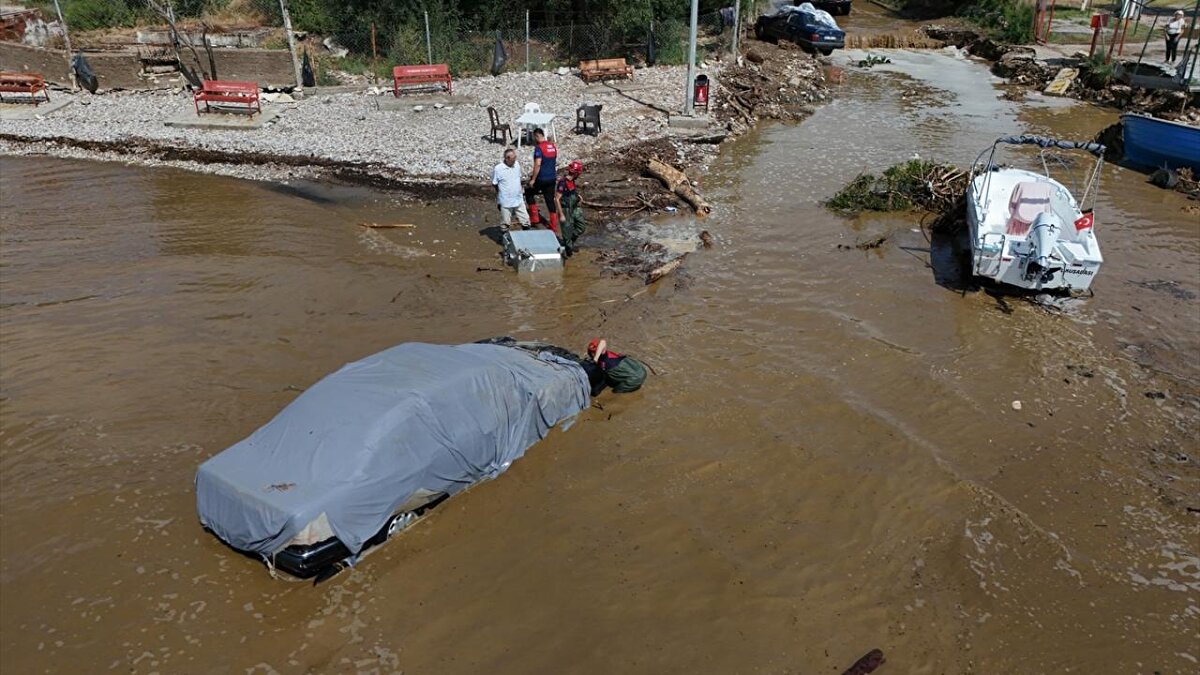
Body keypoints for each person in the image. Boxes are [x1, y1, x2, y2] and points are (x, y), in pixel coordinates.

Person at [525, 128, 559, 236]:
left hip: (541, 178)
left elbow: (538, 164)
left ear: (537, 136)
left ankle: (535, 218)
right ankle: (553, 226)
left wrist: (533, 179)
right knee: (550, 200)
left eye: (534, 137)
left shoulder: (539, 148)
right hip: (552, 178)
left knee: (529, 192)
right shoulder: (552, 147)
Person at [491, 148, 529, 232]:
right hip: (506, 200)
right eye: (513, 158)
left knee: (525, 220)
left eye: (515, 157)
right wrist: (500, 194)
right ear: (507, 158)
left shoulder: (517, 165)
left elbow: (518, 178)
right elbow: (494, 183)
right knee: (505, 223)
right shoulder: (498, 169)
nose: (515, 160)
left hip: (518, 198)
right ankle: (505, 236)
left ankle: (526, 235)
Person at [555, 160, 587, 255]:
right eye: (579, 173)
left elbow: (572, 192)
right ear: (576, 173)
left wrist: (578, 197)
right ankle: (567, 248)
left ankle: (569, 241)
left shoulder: (572, 181)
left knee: (581, 227)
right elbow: (557, 199)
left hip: (574, 208)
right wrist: (561, 215)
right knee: (567, 230)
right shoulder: (562, 183)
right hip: (566, 210)